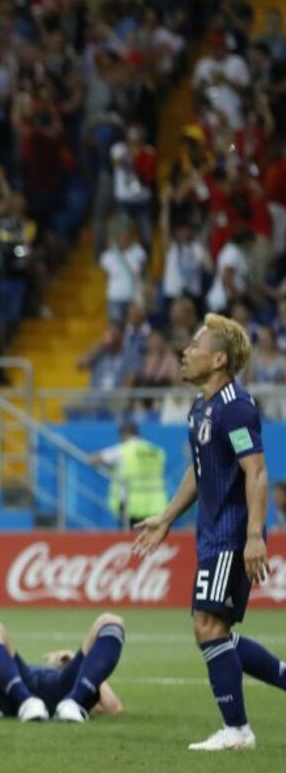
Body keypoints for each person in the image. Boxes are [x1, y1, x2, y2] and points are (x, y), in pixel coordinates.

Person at [135, 314, 286, 751]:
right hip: (213, 534)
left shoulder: (234, 407)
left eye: (195, 347)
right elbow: (201, 471)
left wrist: (254, 536)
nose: (185, 352)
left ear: (219, 359)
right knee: (215, 630)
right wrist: (167, 517)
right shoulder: (201, 407)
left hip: (232, 535)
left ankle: (237, 730)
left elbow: (256, 471)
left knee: (208, 626)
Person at [92, 421, 168, 528]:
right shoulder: (156, 451)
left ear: (124, 434)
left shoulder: (123, 449)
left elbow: (95, 459)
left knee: (129, 536)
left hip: (131, 504)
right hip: (155, 503)